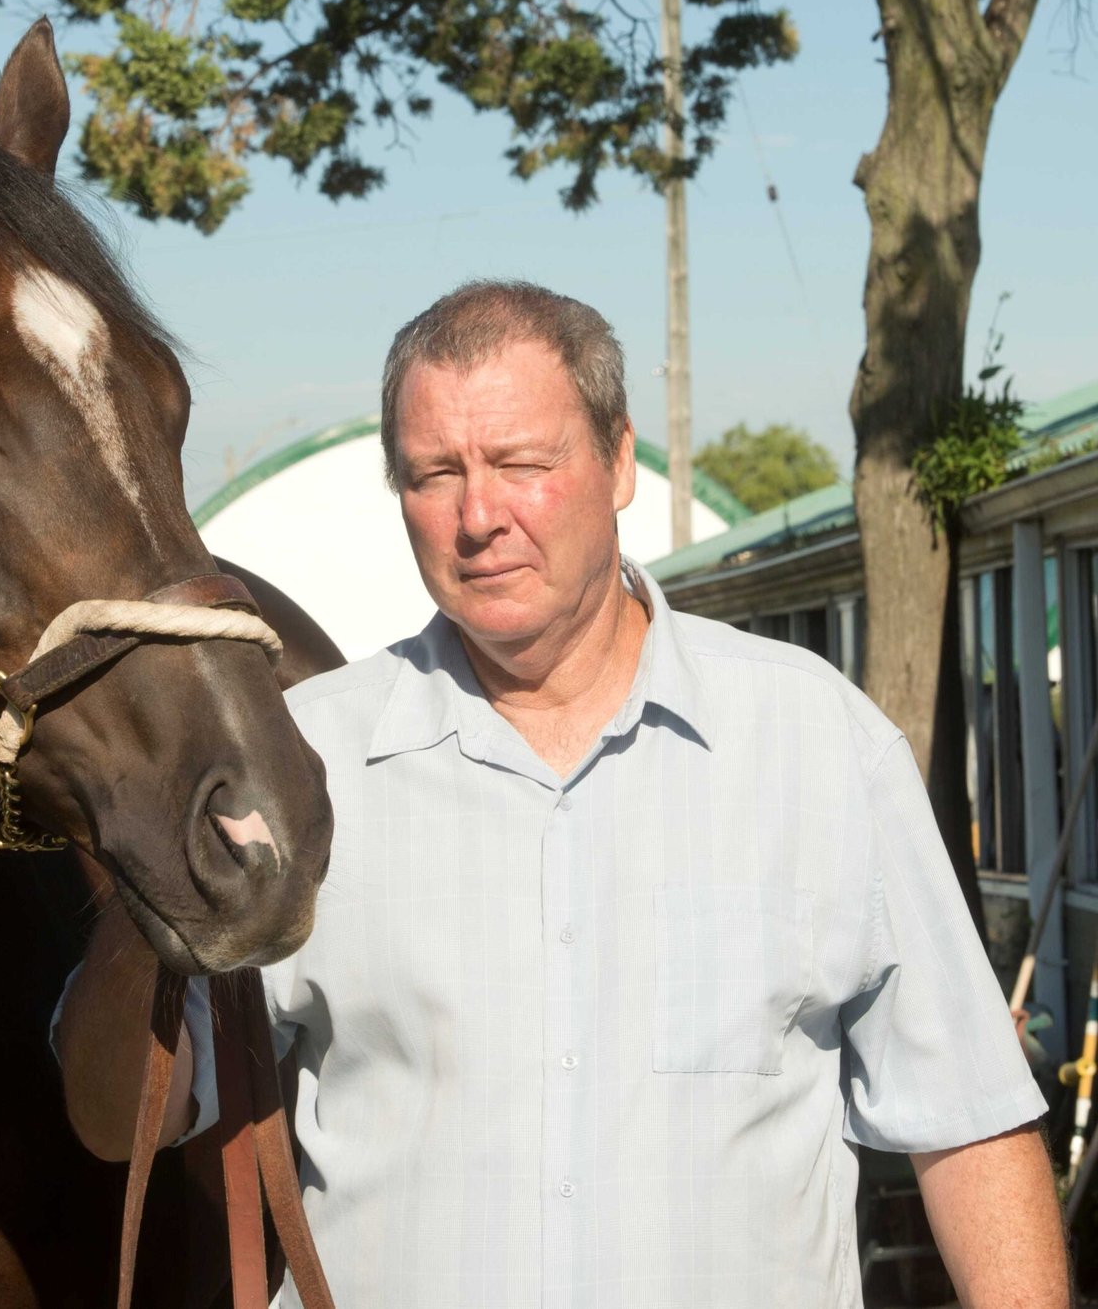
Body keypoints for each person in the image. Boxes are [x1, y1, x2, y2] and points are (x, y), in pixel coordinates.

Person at [58, 280, 1067, 1308]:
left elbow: (968, 1122)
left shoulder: (818, 746)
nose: (477, 515)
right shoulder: (308, 760)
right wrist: (149, 872)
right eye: (433, 473)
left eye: (521, 464)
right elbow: (116, 1116)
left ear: (620, 459)